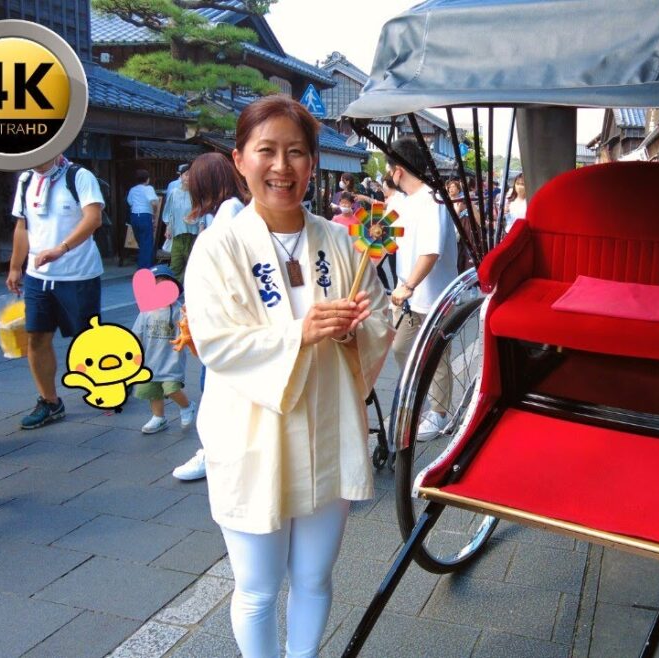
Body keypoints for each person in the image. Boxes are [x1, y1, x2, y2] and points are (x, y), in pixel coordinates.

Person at [184, 94, 393, 657]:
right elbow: (216, 341)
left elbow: (378, 318)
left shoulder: (341, 242)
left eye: (296, 152)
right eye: (267, 151)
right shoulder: (218, 247)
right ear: (239, 159)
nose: (282, 166)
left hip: (329, 428)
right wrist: (298, 333)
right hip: (253, 437)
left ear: (313, 162)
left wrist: (350, 332)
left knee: (315, 578)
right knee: (257, 588)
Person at [8, 155, 104, 430]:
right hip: (37, 275)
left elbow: (94, 218)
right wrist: (15, 267)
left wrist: (61, 249)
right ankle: (50, 402)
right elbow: (22, 226)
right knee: (36, 337)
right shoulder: (26, 179)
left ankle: (111, 378)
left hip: (78, 273)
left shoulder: (79, 176)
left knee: (86, 338)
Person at [169, 151, 249, 482]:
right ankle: (220, 452)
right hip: (226, 318)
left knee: (215, 387)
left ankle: (214, 454)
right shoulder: (231, 210)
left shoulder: (229, 212)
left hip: (224, 321)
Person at [387, 137, 459, 439]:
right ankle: (421, 400)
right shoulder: (404, 202)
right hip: (408, 298)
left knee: (436, 355)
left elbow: (431, 251)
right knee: (401, 348)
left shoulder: (433, 199)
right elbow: (388, 239)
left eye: (390, 169)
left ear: (398, 170)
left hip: (433, 295)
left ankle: (440, 414)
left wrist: (409, 285)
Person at [133, 265, 197, 434]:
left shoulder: (178, 310)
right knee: (152, 392)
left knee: (172, 388)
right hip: (150, 361)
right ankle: (158, 417)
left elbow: (188, 330)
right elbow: (137, 333)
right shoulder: (146, 311)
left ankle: (187, 406)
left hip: (171, 360)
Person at [161, 166, 200, 282]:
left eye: (192, 175)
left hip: (192, 234)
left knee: (192, 266)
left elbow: (201, 213)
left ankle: (190, 289)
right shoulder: (174, 193)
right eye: (186, 174)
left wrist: (194, 220)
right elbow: (169, 212)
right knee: (175, 265)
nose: (189, 177)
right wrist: (168, 227)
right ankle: (174, 289)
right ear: (181, 176)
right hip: (177, 234)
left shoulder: (196, 194)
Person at [126, 169, 160, 269]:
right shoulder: (148, 188)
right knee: (147, 243)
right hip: (145, 216)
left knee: (141, 242)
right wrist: (154, 213)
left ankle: (142, 266)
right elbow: (154, 203)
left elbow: (130, 202)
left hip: (134, 216)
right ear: (147, 179)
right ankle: (145, 268)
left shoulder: (132, 190)